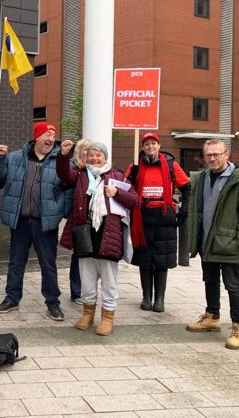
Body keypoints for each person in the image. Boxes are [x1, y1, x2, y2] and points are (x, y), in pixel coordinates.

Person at [0, 122, 72, 321]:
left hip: (45, 223)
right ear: (37, 137)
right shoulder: (15, 157)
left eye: (53, 135)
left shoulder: (60, 161)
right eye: (47, 134)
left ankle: (53, 302)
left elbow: (69, 187)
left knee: (48, 263)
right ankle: (12, 298)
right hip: (21, 221)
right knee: (16, 262)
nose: (51, 138)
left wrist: (59, 209)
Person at [185, 139, 239, 350]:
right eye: (208, 154)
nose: (212, 158)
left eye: (216, 154)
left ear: (226, 154)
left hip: (228, 243)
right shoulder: (202, 178)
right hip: (206, 241)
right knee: (210, 280)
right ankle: (212, 317)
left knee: (232, 285)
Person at [57, 140, 139, 336]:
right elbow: (63, 174)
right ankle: (87, 314)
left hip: (108, 234)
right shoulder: (80, 174)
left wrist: (117, 193)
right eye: (91, 155)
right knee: (87, 279)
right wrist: (63, 155)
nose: (94, 158)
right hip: (85, 234)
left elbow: (135, 201)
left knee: (109, 281)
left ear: (105, 157)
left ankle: (107, 318)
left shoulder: (118, 176)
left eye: (98, 155)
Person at [125, 132, 191, 313]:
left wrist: (183, 212)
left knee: (162, 258)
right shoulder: (136, 166)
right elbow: (125, 188)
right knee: (145, 258)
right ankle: (146, 297)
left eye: (153, 143)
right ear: (143, 147)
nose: (150, 147)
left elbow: (187, 188)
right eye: (147, 144)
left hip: (164, 214)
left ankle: (159, 299)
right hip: (142, 215)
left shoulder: (171, 165)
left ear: (159, 145)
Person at [69, 138, 92, 304]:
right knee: (78, 255)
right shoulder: (75, 170)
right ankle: (76, 291)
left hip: (95, 218)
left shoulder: (99, 171)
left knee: (92, 257)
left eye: (91, 150)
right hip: (79, 218)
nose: (88, 153)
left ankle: (88, 291)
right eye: (85, 150)